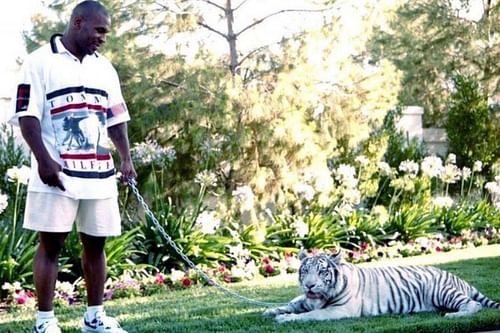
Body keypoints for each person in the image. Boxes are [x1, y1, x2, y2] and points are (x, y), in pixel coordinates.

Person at [9, 1, 136, 332]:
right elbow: (27, 115)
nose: (102, 38)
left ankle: (94, 318)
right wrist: (43, 160)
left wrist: (126, 158)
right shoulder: (39, 62)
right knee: (50, 246)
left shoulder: (104, 68)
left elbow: (116, 119)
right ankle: (44, 322)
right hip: (57, 173)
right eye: (99, 30)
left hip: (99, 174)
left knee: (96, 244)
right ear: (78, 23)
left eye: (105, 32)